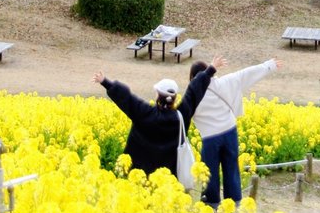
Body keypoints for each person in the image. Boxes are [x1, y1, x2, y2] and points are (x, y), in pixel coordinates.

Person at [92, 56, 225, 179]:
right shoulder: (180, 117)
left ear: (157, 95)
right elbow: (193, 92)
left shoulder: (143, 113)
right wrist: (210, 69)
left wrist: (105, 82)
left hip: (140, 176)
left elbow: (127, 98)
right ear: (174, 98)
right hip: (168, 180)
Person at [190, 57, 280, 207]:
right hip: (229, 131)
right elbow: (246, 74)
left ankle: (211, 203)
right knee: (232, 168)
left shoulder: (193, 95)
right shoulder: (224, 82)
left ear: (193, 77)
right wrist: (268, 66)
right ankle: (234, 202)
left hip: (210, 138)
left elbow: (184, 113)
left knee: (209, 171)